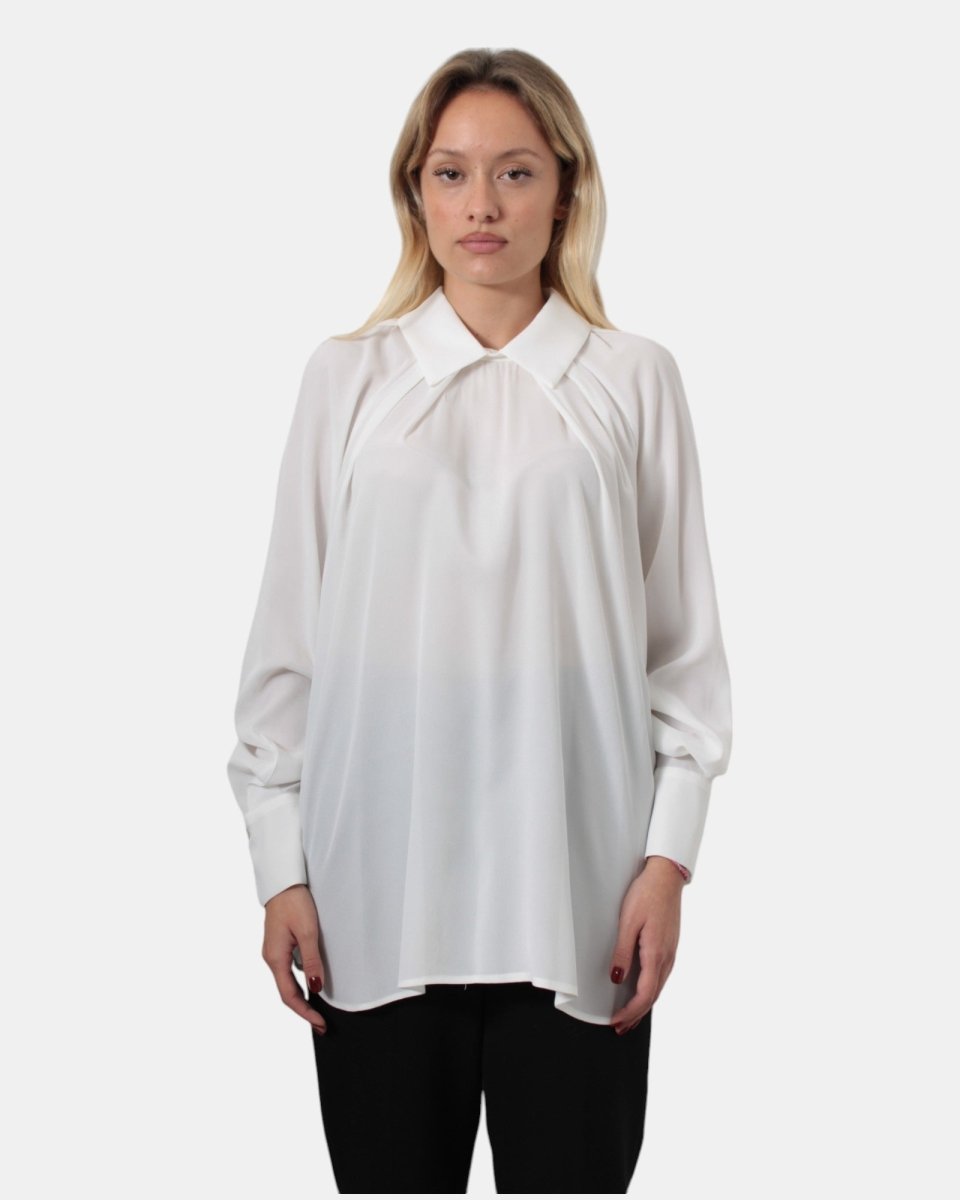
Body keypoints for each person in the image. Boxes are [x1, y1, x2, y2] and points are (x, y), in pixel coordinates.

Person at [226, 46, 732, 1194]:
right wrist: (278, 866)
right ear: (415, 193)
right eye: (451, 174)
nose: (483, 205)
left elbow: (683, 655)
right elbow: (288, 647)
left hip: (578, 899)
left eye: (515, 172)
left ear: (565, 188)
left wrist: (667, 865)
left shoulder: (632, 379)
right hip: (375, 897)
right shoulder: (348, 380)